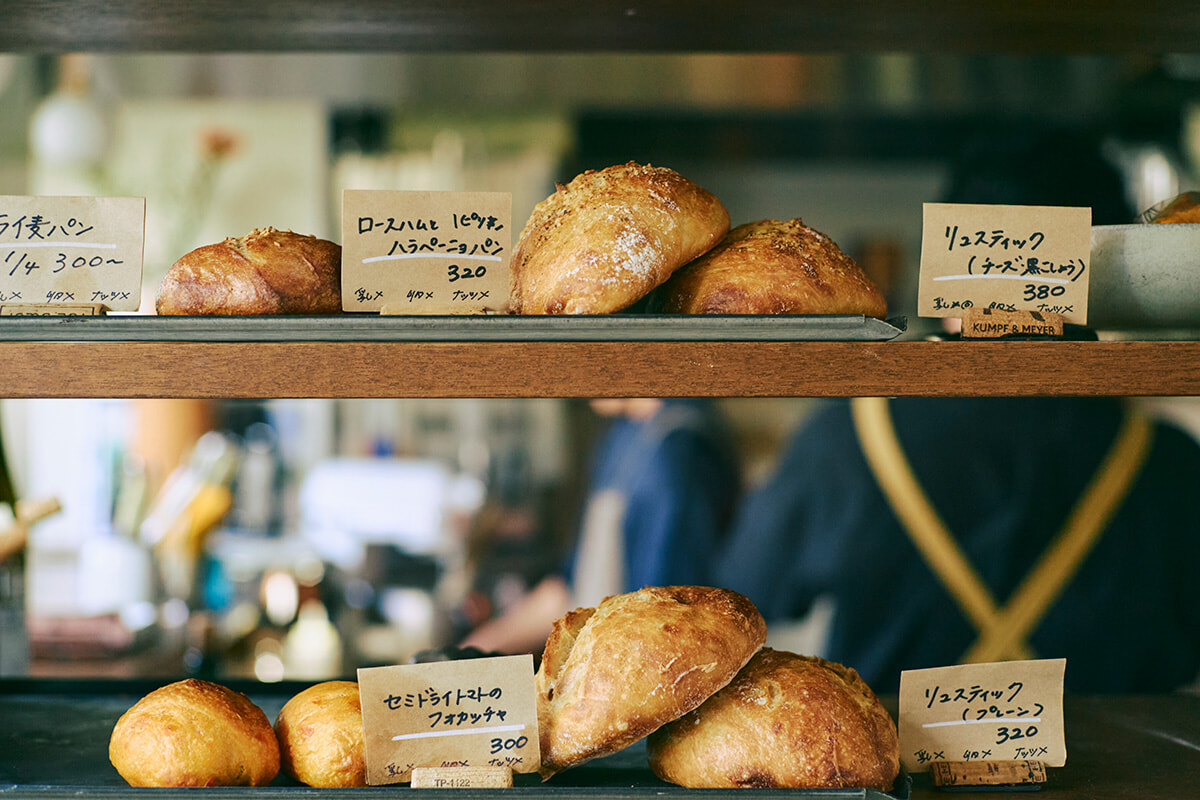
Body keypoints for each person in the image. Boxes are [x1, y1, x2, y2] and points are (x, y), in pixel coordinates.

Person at [715, 129, 1200, 695]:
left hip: (907, 775)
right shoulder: (1169, 464)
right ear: (1104, 288)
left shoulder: (845, 440)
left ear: (950, 276)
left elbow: (746, 594)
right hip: (1130, 779)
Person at [460, 398, 739, 655]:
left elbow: (667, 620)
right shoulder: (622, 435)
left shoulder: (681, 450)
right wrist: (475, 650)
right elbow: (571, 588)